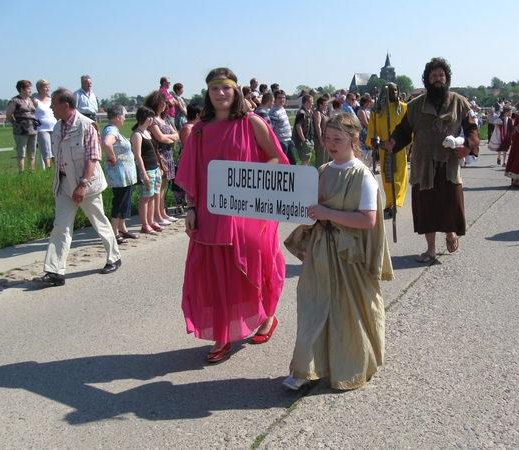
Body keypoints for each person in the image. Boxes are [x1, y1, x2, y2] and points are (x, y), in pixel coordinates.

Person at [175, 67, 289, 363]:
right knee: (216, 274)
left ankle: (266, 317)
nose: (220, 94)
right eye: (215, 89)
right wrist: (190, 208)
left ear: (235, 91)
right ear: (208, 94)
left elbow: (276, 157)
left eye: (225, 88)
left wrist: (253, 182)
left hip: (248, 214)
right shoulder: (199, 130)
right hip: (210, 214)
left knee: (254, 265)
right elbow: (192, 173)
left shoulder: (253, 123)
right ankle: (222, 334)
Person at [282, 113, 393, 391]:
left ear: (354, 140)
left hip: (348, 255)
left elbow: (368, 219)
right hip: (320, 250)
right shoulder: (321, 171)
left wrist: (328, 213)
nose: (330, 144)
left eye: (337, 139)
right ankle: (305, 368)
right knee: (312, 305)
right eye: (327, 138)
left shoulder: (362, 176)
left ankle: (351, 364)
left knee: (348, 310)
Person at [385, 57, 479, 263]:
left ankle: (450, 233)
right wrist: (393, 142)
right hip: (423, 164)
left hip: (448, 164)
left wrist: (468, 147)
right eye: (434, 76)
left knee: (450, 204)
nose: (438, 79)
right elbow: (403, 131)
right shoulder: (415, 106)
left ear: (447, 79)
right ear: (427, 79)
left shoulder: (459, 103)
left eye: (441, 75)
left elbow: (471, 129)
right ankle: (430, 249)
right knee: (427, 209)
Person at [33, 89, 121, 287]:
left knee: (99, 221)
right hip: (64, 184)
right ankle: (55, 271)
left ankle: (114, 257)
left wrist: (82, 185)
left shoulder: (86, 126)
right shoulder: (57, 127)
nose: (51, 108)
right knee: (60, 226)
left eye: (53, 104)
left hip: (86, 184)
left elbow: (92, 158)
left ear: (65, 105)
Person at [368, 83, 409, 216]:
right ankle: (390, 202)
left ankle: (396, 203)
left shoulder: (403, 108)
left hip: (399, 148)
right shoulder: (377, 110)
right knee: (387, 178)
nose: (395, 92)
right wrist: (373, 138)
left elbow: (410, 127)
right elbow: (372, 128)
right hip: (384, 148)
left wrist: (411, 144)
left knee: (398, 176)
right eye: (392, 90)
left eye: (396, 89)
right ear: (385, 93)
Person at [101, 103, 138, 243]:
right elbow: (106, 143)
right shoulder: (111, 130)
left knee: (125, 201)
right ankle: (115, 231)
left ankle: (122, 228)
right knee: (119, 201)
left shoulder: (115, 129)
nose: (124, 119)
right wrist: (112, 157)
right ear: (117, 117)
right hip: (119, 175)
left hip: (125, 175)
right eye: (123, 116)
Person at [144, 91, 180, 225]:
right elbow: (160, 138)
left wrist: (168, 138)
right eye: (162, 102)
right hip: (158, 155)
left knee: (164, 185)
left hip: (168, 153)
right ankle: (157, 215)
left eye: (166, 102)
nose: (164, 105)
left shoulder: (165, 119)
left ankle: (163, 212)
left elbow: (176, 135)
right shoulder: (152, 120)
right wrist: (169, 138)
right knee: (159, 186)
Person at [131, 106, 164, 234]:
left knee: (153, 196)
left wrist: (159, 166)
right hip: (147, 170)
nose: (151, 119)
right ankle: (145, 223)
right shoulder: (137, 135)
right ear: (143, 117)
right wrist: (143, 173)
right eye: (149, 116)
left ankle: (151, 221)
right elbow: (138, 155)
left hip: (155, 168)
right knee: (145, 197)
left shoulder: (148, 133)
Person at [6, 80, 37, 172]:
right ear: (21, 89)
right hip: (21, 130)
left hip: (33, 129)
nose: (30, 91)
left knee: (32, 152)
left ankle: (32, 170)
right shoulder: (15, 101)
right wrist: (16, 123)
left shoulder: (31, 100)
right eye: (28, 89)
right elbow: (9, 115)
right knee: (21, 152)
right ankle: (22, 171)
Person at [269, 89, 297, 165]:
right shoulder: (273, 112)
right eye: (279, 98)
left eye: (283, 98)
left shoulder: (283, 110)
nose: (282, 100)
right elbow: (270, 129)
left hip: (289, 140)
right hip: (281, 141)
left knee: (293, 163)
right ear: (275, 99)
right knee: (282, 164)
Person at [33, 79, 56, 169]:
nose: (47, 89)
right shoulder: (35, 100)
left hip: (53, 126)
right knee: (46, 148)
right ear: (39, 88)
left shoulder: (51, 100)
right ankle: (48, 167)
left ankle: (57, 167)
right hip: (42, 128)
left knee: (55, 148)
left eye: (48, 87)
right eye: (45, 87)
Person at [294, 94, 315, 166]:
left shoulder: (307, 112)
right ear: (307, 102)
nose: (313, 103)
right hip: (305, 140)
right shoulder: (302, 113)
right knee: (305, 160)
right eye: (312, 102)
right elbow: (298, 126)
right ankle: (300, 175)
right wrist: (304, 140)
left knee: (307, 159)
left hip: (308, 139)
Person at [313, 97, 329, 168]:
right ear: (320, 104)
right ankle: (318, 176)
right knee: (320, 159)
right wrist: (320, 139)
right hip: (320, 138)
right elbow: (317, 126)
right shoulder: (318, 113)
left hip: (325, 138)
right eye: (325, 104)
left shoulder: (324, 113)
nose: (326, 105)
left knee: (325, 158)